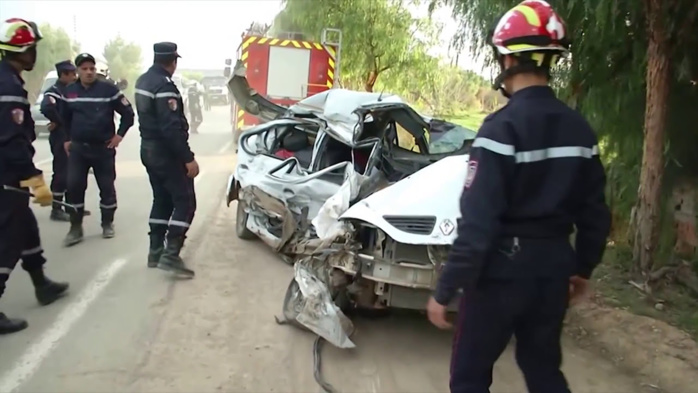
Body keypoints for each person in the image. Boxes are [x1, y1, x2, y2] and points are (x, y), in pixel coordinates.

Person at [425, 1, 612, 392]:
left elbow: (478, 225)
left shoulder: (499, 130)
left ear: (507, 60)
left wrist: (446, 289)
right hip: (553, 272)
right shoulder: (580, 131)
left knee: (470, 375)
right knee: (543, 369)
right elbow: (595, 214)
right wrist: (581, 268)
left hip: (499, 275)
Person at [0, 17, 69, 335]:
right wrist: (31, 176)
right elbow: (10, 137)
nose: (35, 56)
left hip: (9, 173)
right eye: (33, 49)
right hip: (6, 175)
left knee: (26, 229)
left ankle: (42, 284)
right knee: (8, 241)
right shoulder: (8, 86)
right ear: (23, 49)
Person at [134, 42, 198, 278]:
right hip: (166, 153)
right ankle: (171, 255)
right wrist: (188, 158)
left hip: (148, 150)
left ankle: (155, 251)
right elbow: (171, 128)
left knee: (161, 200)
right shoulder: (165, 86)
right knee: (185, 203)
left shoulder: (143, 81)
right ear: (173, 61)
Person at [61, 52, 135, 246]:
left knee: (107, 187)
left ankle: (107, 223)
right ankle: (75, 228)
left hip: (103, 149)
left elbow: (128, 113)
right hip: (79, 149)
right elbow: (64, 118)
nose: (89, 72)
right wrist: (67, 139)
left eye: (92, 68)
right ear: (77, 71)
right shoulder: (70, 92)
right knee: (74, 186)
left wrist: (119, 135)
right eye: (84, 69)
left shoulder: (108, 90)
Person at [40, 60, 93, 221]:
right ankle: (56, 209)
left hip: (73, 135)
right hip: (61, 135)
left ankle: (72, 206)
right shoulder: (54, 91)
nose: (75, 76)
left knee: (73, 172)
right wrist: (60, 121)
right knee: (61, 171)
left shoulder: (72, 90)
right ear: (63, 75)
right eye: (72, 74)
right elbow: (46, 107)